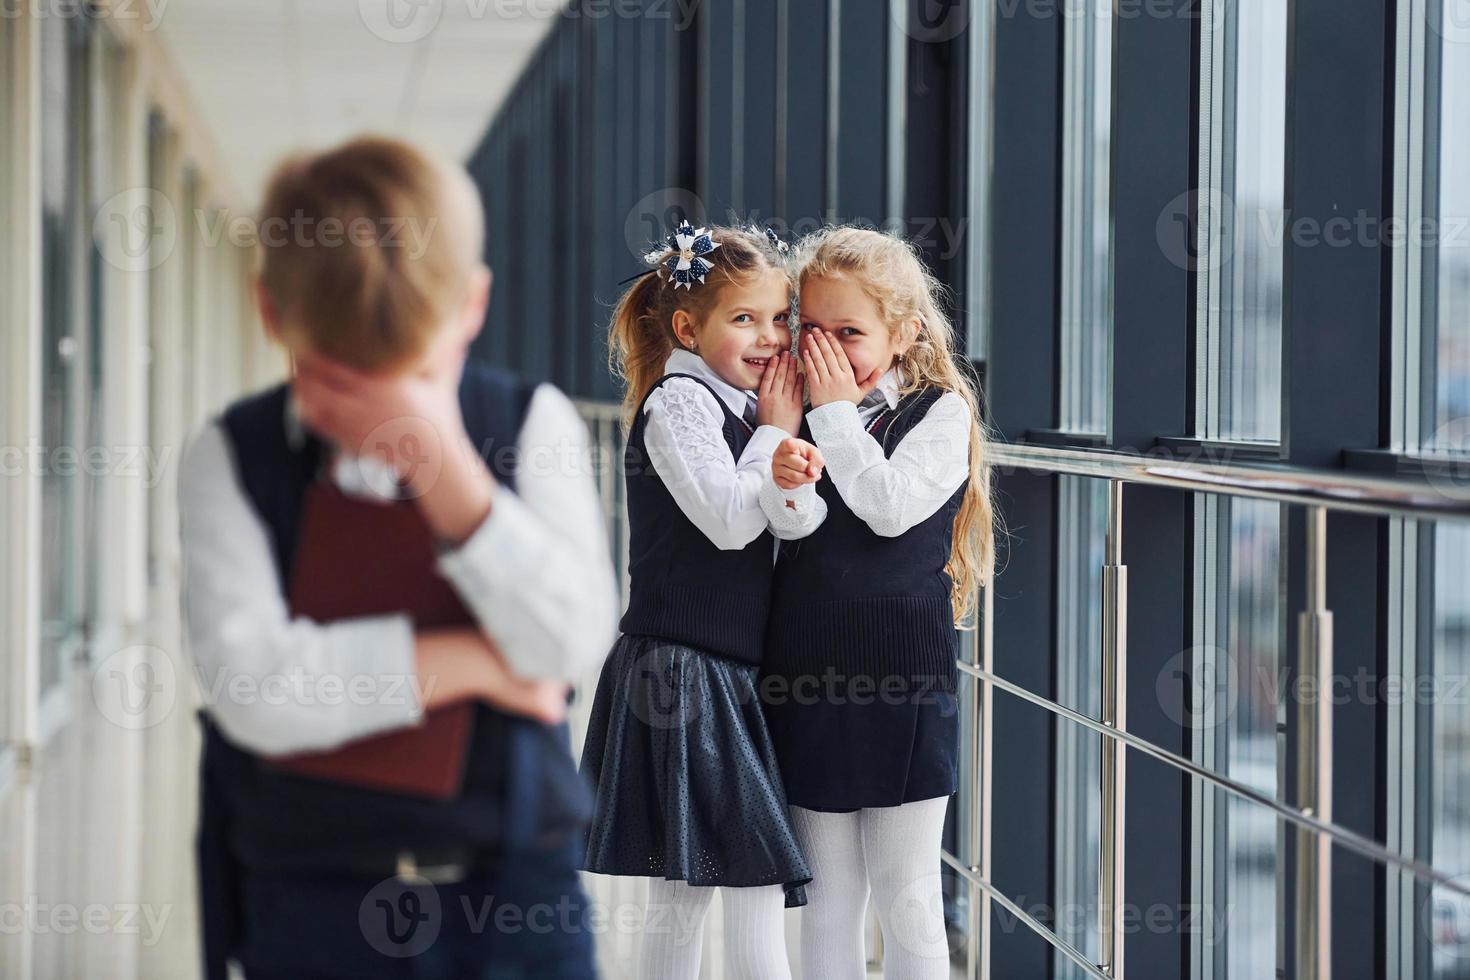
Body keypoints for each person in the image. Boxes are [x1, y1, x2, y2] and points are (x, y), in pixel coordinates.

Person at [178, 135, 618, 979]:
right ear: (274, 317)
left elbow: (571, 643)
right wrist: (480, 666)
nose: (386, 419)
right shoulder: (230, 455)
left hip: (517, 897)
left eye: (414, 377)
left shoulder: (532, 424)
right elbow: (256, 689)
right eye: (347, 384)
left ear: (472, 308)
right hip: (310, 898)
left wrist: (449, 475)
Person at [759, 226, 998, 979]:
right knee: (825, 899)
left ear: (903, 335)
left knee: (909, 897)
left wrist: (830, 413)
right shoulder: (790, 411)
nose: (827, 352)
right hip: (803, 670)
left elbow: (887, 507)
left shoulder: (939, 412)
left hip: (903, 680)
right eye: (812, 332)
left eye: (850, 333)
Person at [578, 221, 812, 979]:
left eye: (780, 318)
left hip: (720, 671)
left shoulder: (739, 408)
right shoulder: (677, 403)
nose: (769, 338)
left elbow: (785, 516)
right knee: (734, 887)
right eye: (744, 319)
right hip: (684, 671)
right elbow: (728, 523)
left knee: (697, 896)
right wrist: (775, 439)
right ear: (687, 326)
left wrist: (779, 441)